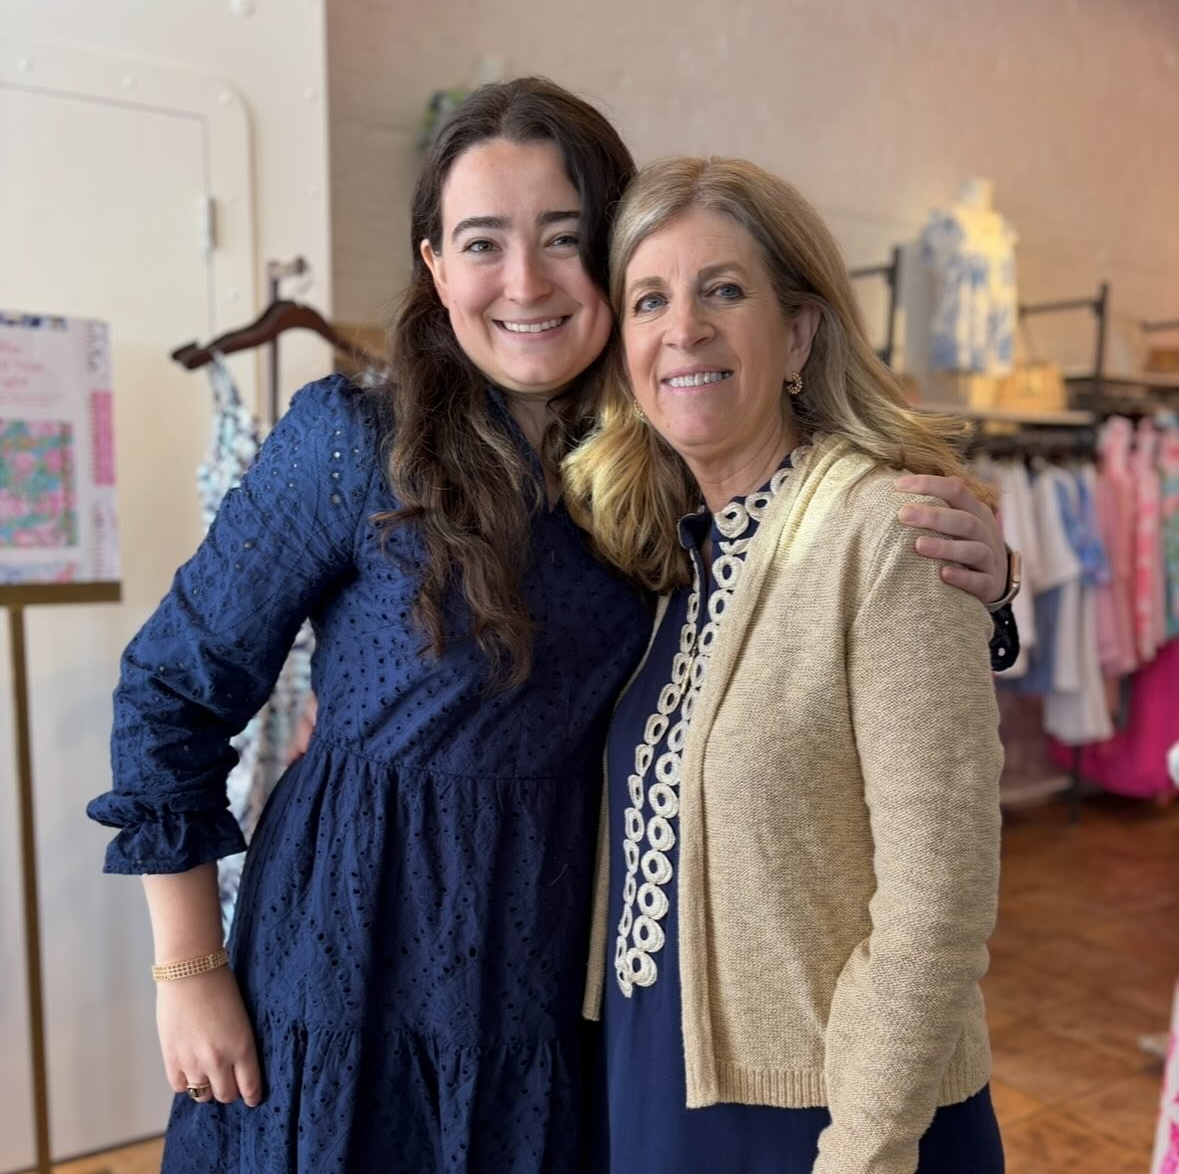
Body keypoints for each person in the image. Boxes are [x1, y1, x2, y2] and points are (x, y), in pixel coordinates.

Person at [87, 81, 1012, 1173]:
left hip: (553, 991)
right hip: (349, 967)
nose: (525, 281)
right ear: (436, 267)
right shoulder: (352, 442)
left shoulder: (662, 464)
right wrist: (189, 967)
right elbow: (169, 693)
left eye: (564, 239)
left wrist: (990, 579)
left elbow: (806, 582)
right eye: (483, 242)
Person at [564, 156, 1006, 1174]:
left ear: (800, 333)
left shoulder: (888, 532)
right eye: (649, 299)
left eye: (723, 290)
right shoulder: (665, 555)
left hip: (831, 1119)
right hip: (659, 1082)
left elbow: (937, 907)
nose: (684, 329)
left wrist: (863, 1149)